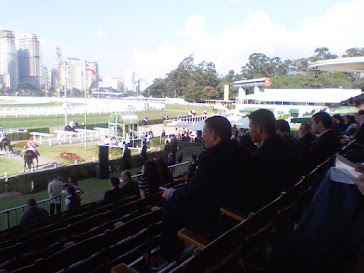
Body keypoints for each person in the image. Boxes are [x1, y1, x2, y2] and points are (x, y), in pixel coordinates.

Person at [155, 116, 253, 266]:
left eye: (204, 132)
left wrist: (173, 193)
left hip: (217, 216)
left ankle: (167, 258)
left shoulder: (211, 156)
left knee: (170, 205)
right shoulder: (241, 150)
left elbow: (195, 189)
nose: (202, 135)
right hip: (234, 207)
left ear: (213, 135)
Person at [249, 109, 303, 209]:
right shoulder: (286, 143)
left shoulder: (264, 153)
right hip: (289, 204)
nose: (249, 131)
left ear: (259, 129)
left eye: (250, 127)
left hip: (269, 210)